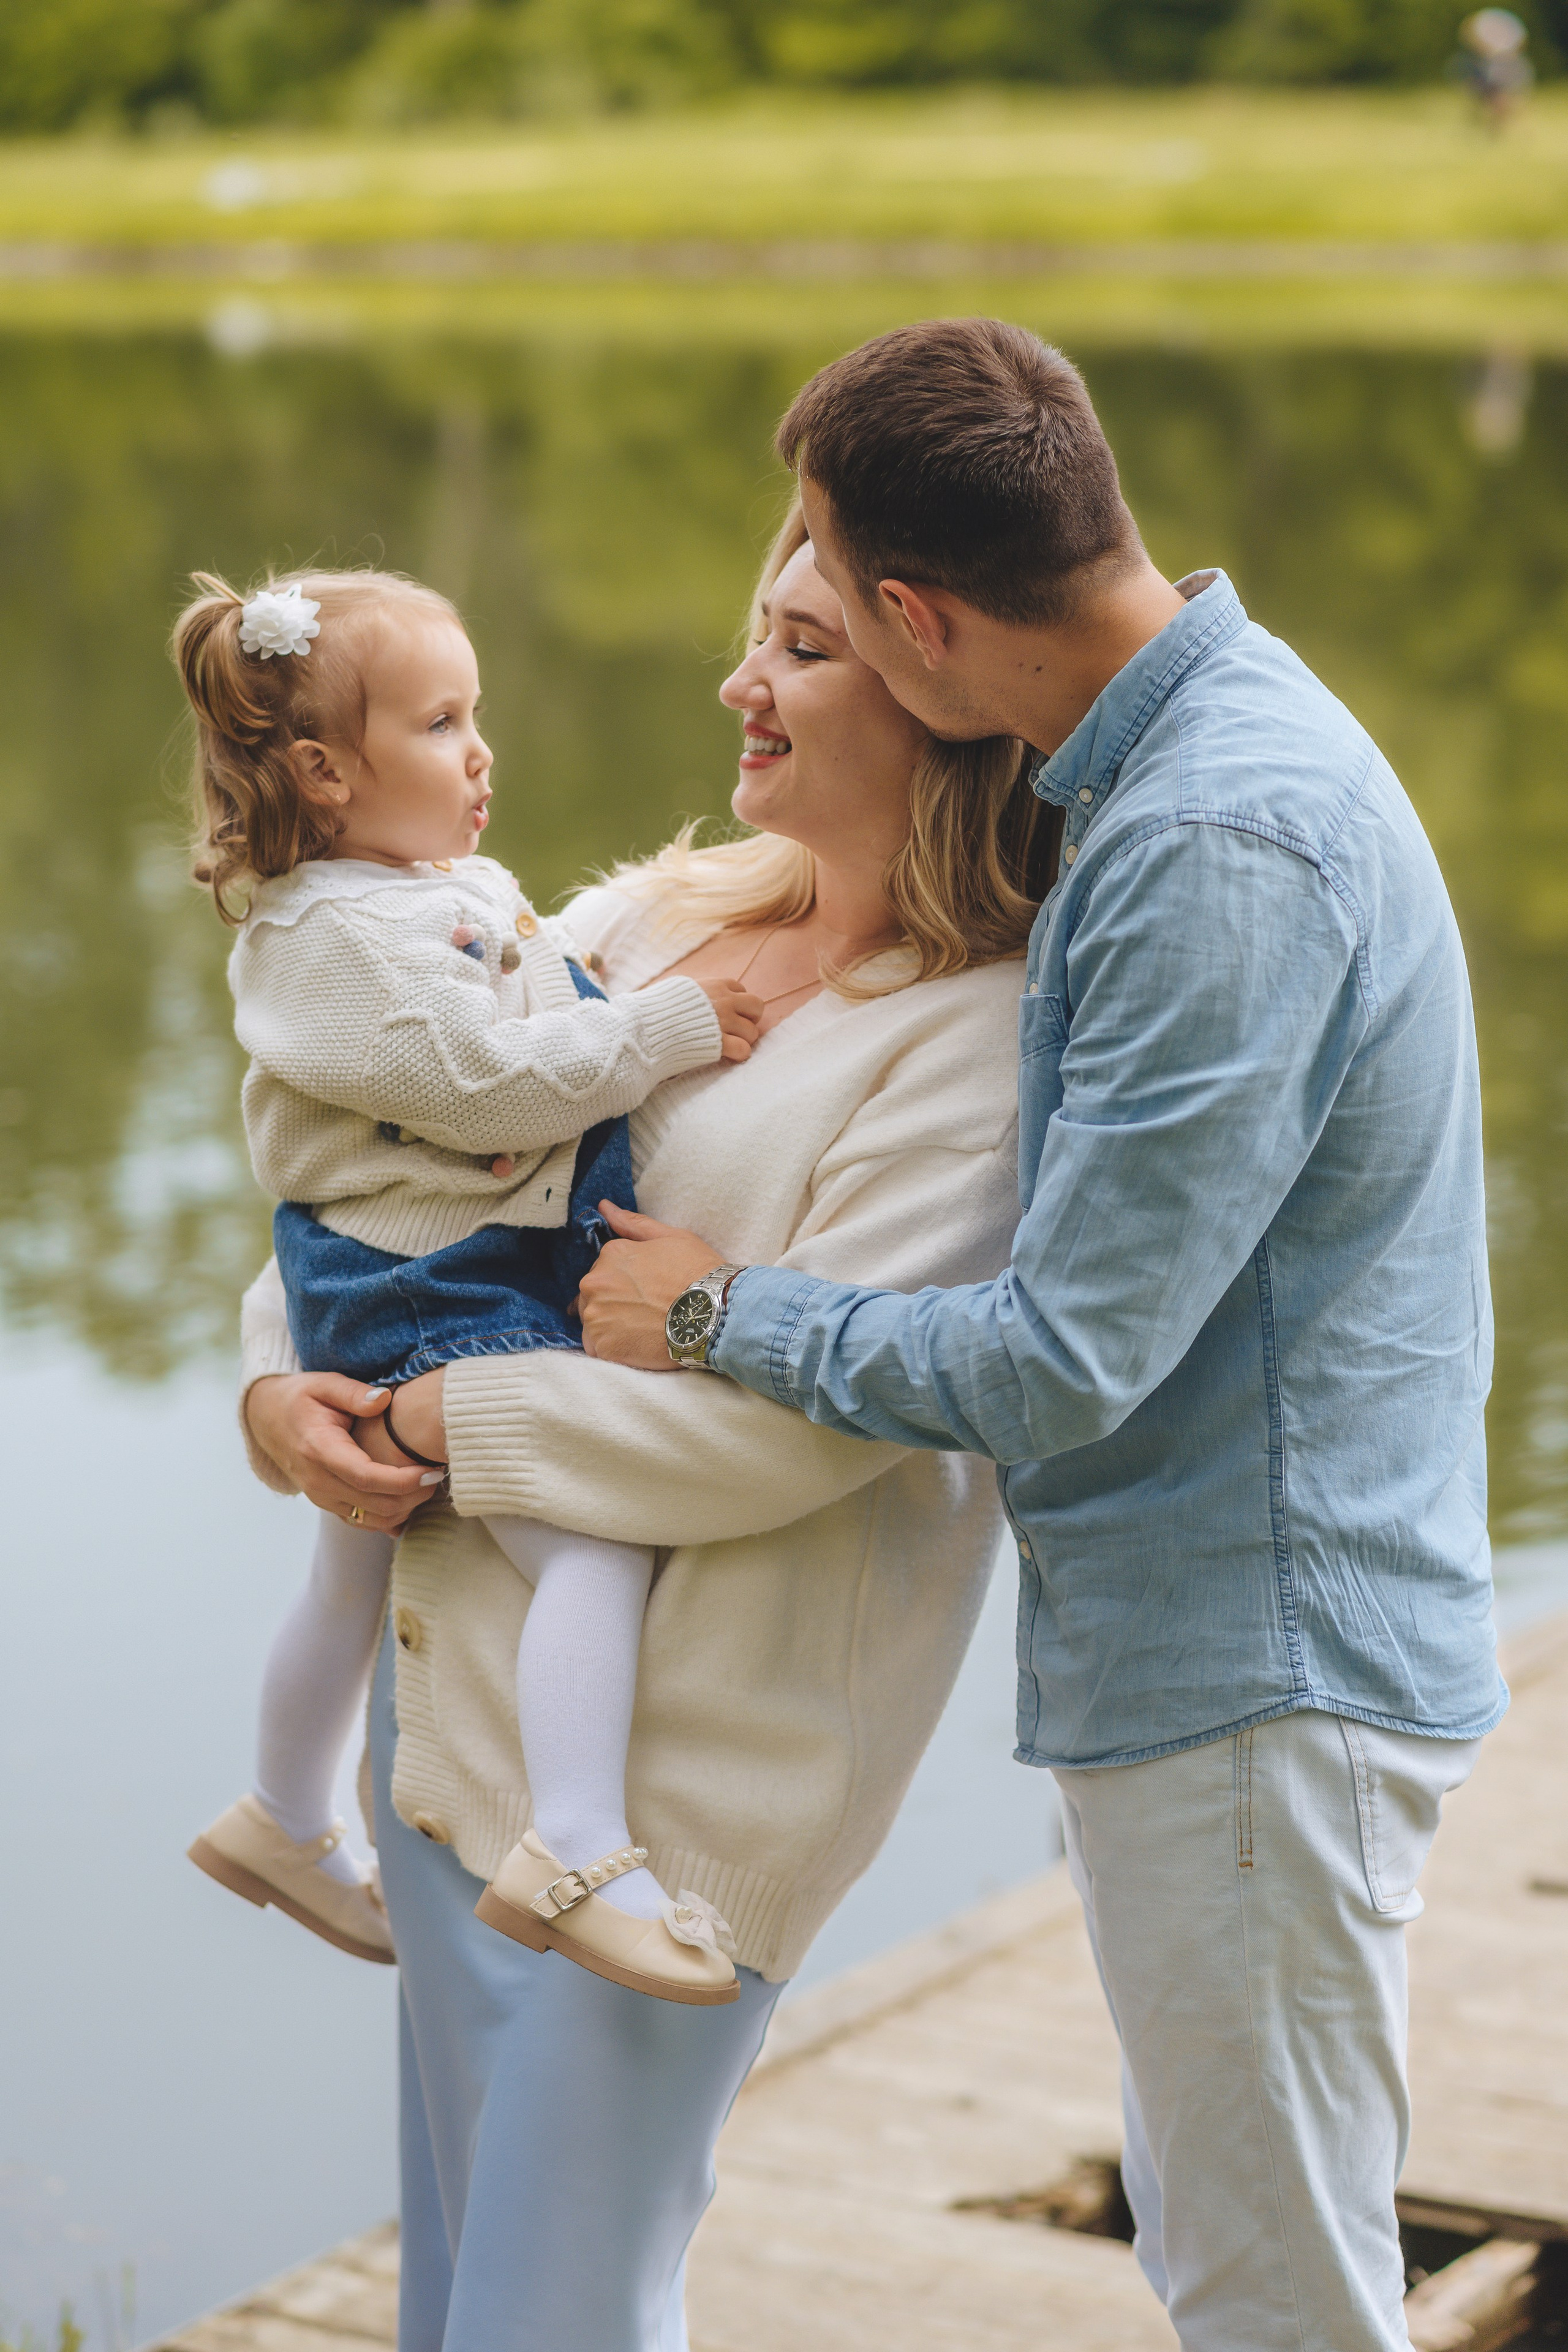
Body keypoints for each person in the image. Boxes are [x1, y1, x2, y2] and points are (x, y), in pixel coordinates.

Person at [571, 321, 1505, 2352]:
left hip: (1261, 1666)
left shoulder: (1206, 848)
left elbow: (1068, 1356)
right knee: (1231, 2240)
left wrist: (714, 1309)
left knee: (1274, 2290)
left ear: (917, 619)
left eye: (828, 602)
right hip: (1239, 1655)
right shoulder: (1209, 755)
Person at [236, 500, 1057, 2348]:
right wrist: (277, 1386)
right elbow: (364, 1178)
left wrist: (459, 1416)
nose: (736, 682)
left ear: (945, 687)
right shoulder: (641, 916)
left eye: (805, 648)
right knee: (469, 2298)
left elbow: (806, 1436)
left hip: (675, 1801)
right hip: (449, 1727)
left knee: (563, 2314)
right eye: (758, 630)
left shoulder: (984, 1040)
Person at [173, 564, 762, 2002]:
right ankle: (571, 1847)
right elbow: (484, 1088)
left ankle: (283, 1815)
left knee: (348, 1564)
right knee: (591, 1546)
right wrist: (668, 1026)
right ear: (322, 770)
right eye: (440, 723)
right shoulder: (327, 944)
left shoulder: (428, 891)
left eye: (474, 714)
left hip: (414, 1262)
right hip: (421, 1287)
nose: (479, 752)